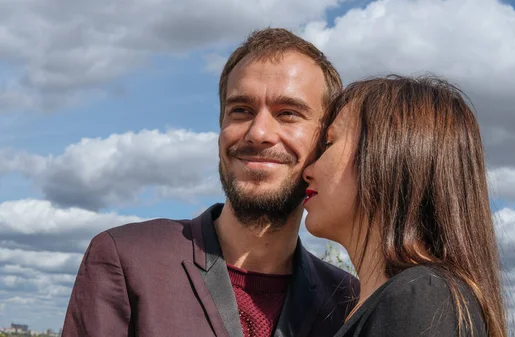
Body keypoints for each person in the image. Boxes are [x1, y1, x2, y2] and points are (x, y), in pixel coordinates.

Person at [62, 28, 357, 337]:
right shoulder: (127, 260)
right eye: (241, 110)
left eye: (288, 113)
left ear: (326, 140)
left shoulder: (347, 300)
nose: (258, 133)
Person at [303, 75, 507, 337]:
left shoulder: (421, 298)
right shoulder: (411, 297)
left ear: (387, 154)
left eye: (328, 143)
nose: (308, 170)